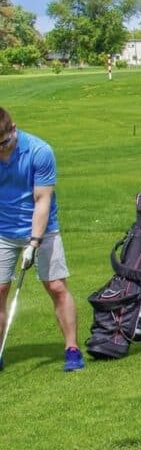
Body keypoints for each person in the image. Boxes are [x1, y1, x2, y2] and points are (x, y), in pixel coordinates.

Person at [0, 107, 85, 372]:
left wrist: (34, 243)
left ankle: (72, 349)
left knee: (57, 287)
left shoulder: (39, 151)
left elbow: (42, 200)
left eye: (3, 142)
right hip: (3, 231)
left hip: (43, 230)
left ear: (13, 129)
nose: (0, 149)